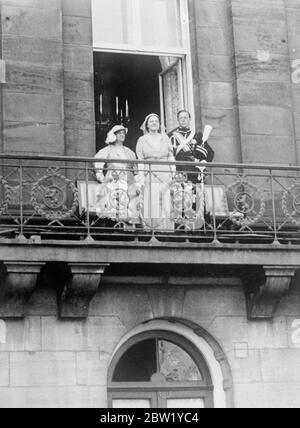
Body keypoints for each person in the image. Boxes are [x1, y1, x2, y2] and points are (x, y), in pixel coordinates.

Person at [168, 110, 215, 230]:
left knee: (196, 199)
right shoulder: (171, 136)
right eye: (181, 118)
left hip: (194, 172)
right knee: (181, 199)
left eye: (185, 117)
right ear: (178, 120)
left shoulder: (198, 136)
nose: (183, 120)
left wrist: (204, 162)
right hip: (179, 172)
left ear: (189, 119)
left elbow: (210, 152)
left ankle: (199, 227)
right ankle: (181, 227)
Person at [136, 113, 175, 230]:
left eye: (156, 121)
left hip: (164, 172)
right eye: (151, 121)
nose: (154, 123)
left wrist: (173, 174)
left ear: (159, 124)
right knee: (151, 200)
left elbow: (170, 157)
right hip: (150, 172)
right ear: (147, 125)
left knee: (165, 200)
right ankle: (151, 229)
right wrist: (141, 177)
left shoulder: (165, 138)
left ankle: (166, 229)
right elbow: (140, 159)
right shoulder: (142, 139)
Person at [94, 125, 140, 225]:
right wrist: (100, 175)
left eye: (123, 133)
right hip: (113, 179)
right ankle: (114, 224)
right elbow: (98, 161)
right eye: (119, 133)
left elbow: (135, 170)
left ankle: (128, 225)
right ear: (114, 135)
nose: (122, 134)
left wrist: (137, 182)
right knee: (113, 203)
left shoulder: (129, 152)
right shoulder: (108, 149)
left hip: (128, 180)